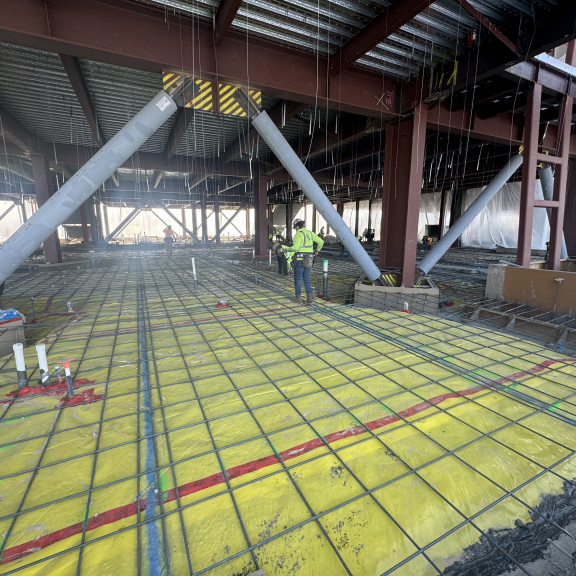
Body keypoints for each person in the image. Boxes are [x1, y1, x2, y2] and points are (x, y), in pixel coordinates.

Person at [282, 218, 324, 306]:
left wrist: (286, 249)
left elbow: (295, 248)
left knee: (297, 279)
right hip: (309, 260)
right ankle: (310, 299)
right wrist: (317, 250)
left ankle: (298, 298)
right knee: (306, 278)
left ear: (297, 227)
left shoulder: (298, 234)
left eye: (295, 228)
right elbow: (321, 241)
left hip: (300, 260)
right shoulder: (310, 233)